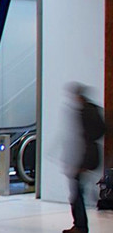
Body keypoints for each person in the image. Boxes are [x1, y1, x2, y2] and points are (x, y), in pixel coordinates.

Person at [64, 84, 107, 233]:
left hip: (86, 157)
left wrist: (80, 162)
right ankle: (80, 225)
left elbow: (83, 138)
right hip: (93, 155)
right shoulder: (94, 109)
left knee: (76, 194)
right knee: (78, 192)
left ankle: (80, 226)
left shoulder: (83, 112)